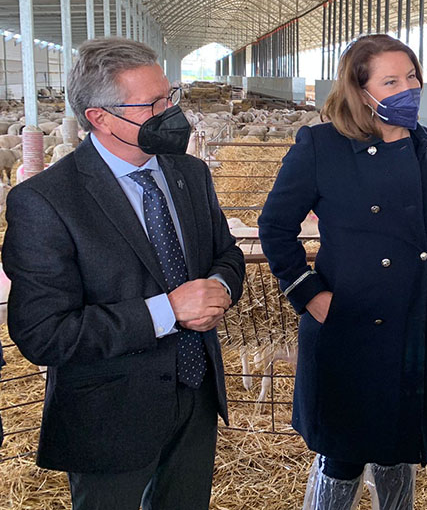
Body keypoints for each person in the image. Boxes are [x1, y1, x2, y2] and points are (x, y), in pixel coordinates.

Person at [2, 38, 245, 510]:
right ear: (100, 118)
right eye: (152, 104)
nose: (169, 113)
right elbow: (42, 334)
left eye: (168, 98)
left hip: (195, 397)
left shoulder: (190, 174)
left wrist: (219, 286)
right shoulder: (47, 200)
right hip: (109, 415)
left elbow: (227, 253)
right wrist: (167, 311)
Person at [258, 34, 427, 510]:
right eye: (391, 81)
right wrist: (311, 295)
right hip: (350, 323)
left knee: (399, 447)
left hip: (415, 319)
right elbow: (275, 226)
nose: (408, 88)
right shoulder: (321, 146)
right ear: (361, 89)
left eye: (411, 76)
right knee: (344, 452)